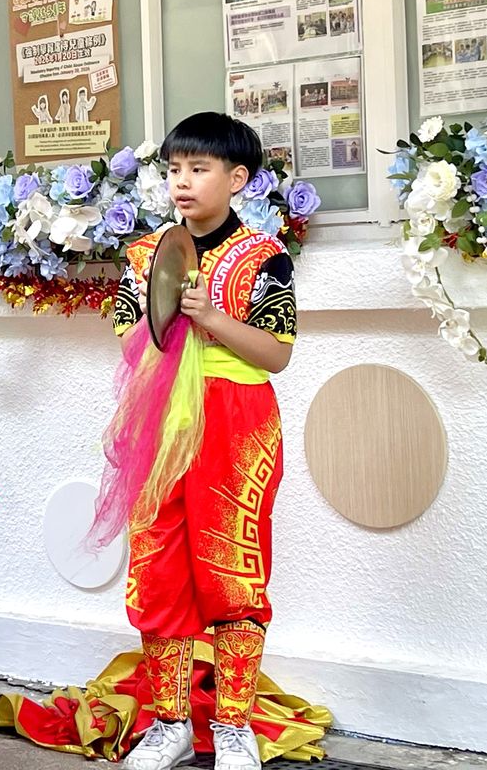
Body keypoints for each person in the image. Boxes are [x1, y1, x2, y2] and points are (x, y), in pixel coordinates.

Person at [94, 113, 298, 770]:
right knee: (157, 573)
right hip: (158, 421)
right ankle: (171, 723)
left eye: (199, 169)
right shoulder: (143, 257)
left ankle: (233, 725)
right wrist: (164, 317)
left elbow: (276, 354)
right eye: (175, 169)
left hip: (237, 421)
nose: (182, 181)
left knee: (233, 573)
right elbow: (128, 341)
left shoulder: (266, 257)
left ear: (237, 179)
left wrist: (210, 318)